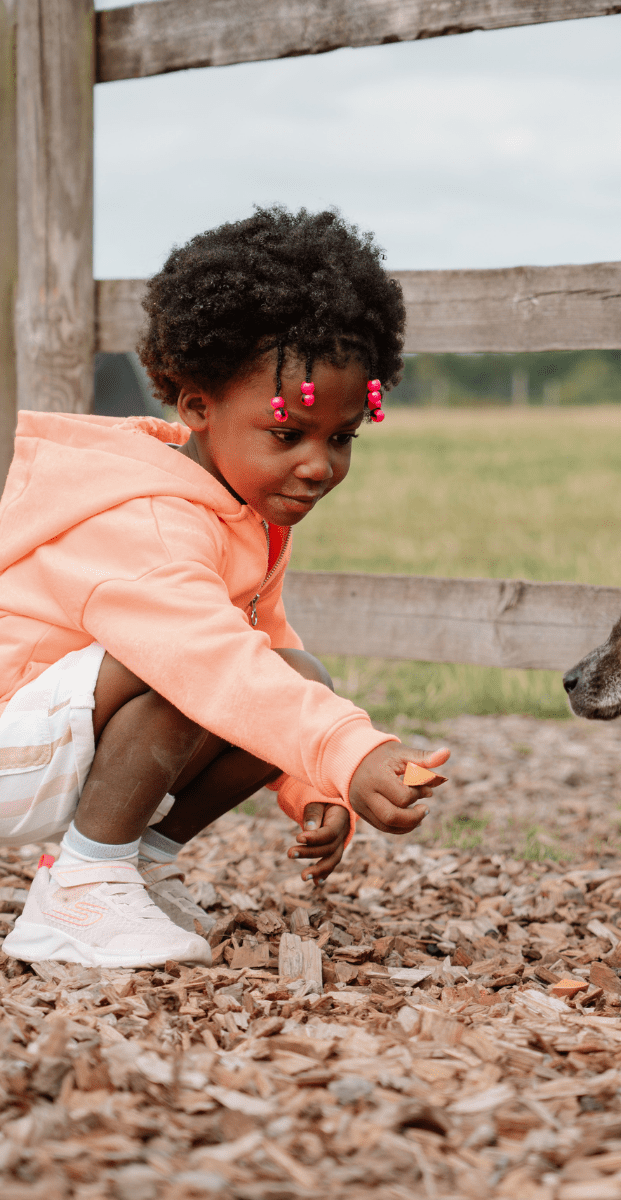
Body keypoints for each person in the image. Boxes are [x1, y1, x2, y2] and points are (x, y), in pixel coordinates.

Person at [0, 207, 448, 969]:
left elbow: (268, 660)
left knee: (293, 669)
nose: (319, 465)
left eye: (341, 437)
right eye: (287, 434)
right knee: (196, 665)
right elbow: (211, 664)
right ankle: (82, 887)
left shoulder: (248, 514)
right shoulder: (152, 521)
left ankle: (131, 868)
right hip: (13, 745)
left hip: (57, 743)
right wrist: (347, 749)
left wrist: (314, 783)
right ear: (198, 407)